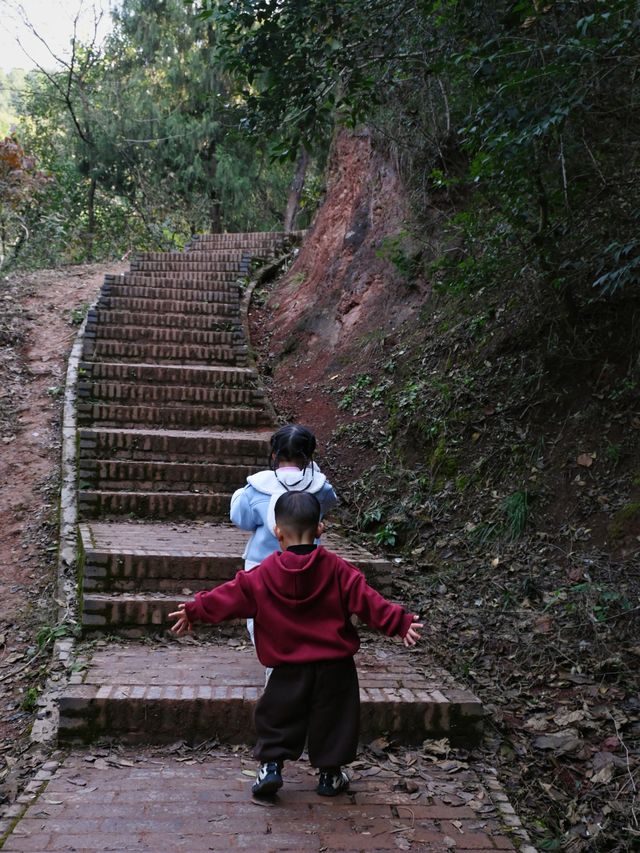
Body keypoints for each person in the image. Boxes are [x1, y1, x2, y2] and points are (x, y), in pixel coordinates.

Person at [169, 491, 422, 800]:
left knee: (277, 715)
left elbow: (229, 596)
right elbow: (369, 601)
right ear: (320, 529)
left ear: (277, 531)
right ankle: (330, 775)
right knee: (335, 718)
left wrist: (195, 610)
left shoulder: (261, 575)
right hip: (335, 667)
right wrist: (401, 623)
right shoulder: (339, 570)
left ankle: (271, 767)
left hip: (286, 665)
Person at [230, 424, 337, 643]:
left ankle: (271, 654)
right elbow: (328, 504)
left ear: (274, 455)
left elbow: (242, 519)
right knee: (301, 613)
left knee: (259, 611)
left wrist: (240, 494)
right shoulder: (320, 487)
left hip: (261, 562)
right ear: (308, 456)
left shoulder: (257, 487)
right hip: (308, 562)